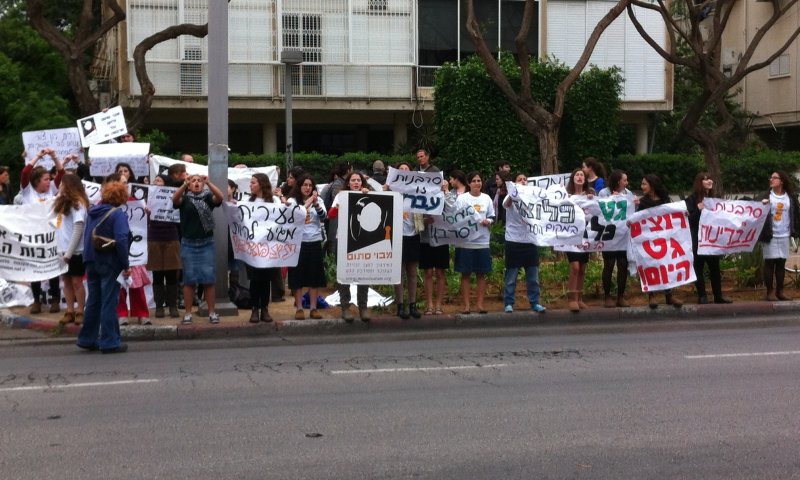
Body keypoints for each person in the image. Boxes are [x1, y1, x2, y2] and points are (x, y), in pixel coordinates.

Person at [76, 180, 130, 354]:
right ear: (122, 197)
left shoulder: (92, 212)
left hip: (91, 260)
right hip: (109, 262)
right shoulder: (117, 215)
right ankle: (109, 341)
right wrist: (125, 264)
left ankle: (87, 338)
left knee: (93, 301)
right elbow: (121, 240)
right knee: (108, 302)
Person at [172, 174, 224, 324]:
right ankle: (188, 313)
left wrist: (209, 182)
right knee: (189, 279)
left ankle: (212, 312)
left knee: (208, 279)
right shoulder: (185, 199)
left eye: (199, 181)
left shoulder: (207, 198)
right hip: (188, 243)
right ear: (189, 185)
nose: (196, 183)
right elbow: (174, 200)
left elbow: (219, 197)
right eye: (193, 181)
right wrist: (184, 184)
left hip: (206, 243)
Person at [21, 148, 64, 314]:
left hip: (52, 236)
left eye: (49, 179)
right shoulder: (27, 192)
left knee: (52, 268)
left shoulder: (52, 190)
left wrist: (54, 156)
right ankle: (36, 301)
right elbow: (25, 172)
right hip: (33, 237)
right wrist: (38, 156)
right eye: (46, 179)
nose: (49, 182)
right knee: (35, 270)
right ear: (37, 181)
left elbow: (60, 172)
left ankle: (55, 300)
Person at [327, 171, 372, 322]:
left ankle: (363, 306)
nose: (356, 183)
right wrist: (338, 207)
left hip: (363, 240)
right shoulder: (342, 196)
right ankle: (345, 306)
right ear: (348, 183)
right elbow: (331, 215)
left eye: (359, 180)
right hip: (344, 239)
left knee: (363, 273)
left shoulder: (369, 195)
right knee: (343, 273)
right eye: (353, 180)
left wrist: (369, 194)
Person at [685, 172, 733, 305]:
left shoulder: (714, 199)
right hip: (698, 239)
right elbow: (688, 220)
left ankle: (718, 296)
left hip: (712, 240)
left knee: (715, 268)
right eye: (706, 179)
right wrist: (697, 209)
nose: (709, 181)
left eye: (710, 179)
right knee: (698, 268)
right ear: (699, 182)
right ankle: (702, 296)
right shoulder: (691, 199)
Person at [113, 163, 151, 326]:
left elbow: (144, 222)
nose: (123, 176)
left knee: (136, 284)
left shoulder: (138, 197)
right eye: (120, 173)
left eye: (126, 171)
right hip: (116, 247)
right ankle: (121, 314)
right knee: (120, 284)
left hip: (135, 248)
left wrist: (147, 212)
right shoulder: (110, 200)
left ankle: (142, 313)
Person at [502, 174, 546, 313]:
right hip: (513, 241)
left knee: (533, 277)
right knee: (511, 277)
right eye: (520, 179)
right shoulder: (510, 196)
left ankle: (534, 302)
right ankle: (508, 303)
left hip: (530, 241)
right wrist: (514, 191)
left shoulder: (533, 197)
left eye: (525, 179)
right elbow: (506, 204)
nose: (523, 181)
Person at [384, 162, 423, 319]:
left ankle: (412, 305)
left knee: (412, 271)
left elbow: (428, 204)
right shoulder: (390, 189)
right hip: (396, 236)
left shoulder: (417, 190)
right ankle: (400, 305)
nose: (404, 171)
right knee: (398, 272)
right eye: (401, 169)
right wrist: (384, 189)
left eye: (407, 169)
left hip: (413, 234)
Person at [638, 173, 683, 309]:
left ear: (652, 185)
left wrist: (682, 214)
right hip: (649, 241)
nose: (642, 187)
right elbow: (637, 219)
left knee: (666, 265)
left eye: (644, 184)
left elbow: (672, 215)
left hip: (664, 239)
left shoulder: (665, 200)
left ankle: (669, 295)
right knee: (650, 265)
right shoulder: (642, 202)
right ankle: (651, 295)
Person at [286, 174, 327, 320]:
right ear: (299, 186)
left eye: (310, 185)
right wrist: (310, 201)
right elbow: (296, 215)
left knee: (314, 276)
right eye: (305, 185)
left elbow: (323, 217)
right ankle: (299, 308)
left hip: (314, 241)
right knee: (297, 276)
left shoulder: (319, 200)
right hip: (298, 242)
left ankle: (313, 308)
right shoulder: (292, 201)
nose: (308, 188)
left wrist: (316, 204)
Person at [453, 171, 494, 314]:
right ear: (469, 183)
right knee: (465, 274)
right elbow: (456, 218)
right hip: (465, 242)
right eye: (474, 181)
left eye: (479, 180)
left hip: (482, 241)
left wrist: (487, 221)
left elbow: (492, 216)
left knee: (481, 274)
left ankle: (480, 305)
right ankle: (466, 305)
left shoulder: (487, 198)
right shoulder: (462, 199)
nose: (477, 183)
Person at [52, 173, 89, 325]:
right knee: (66, 282)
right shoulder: (61, 202)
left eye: (62, 184)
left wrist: (69, 253)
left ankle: (80, 310)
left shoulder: (78, 204)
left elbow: (78, 228)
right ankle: (69, 310)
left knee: (76, 282)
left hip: (75, 251)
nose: (59, 186)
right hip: (62, 250)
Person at [243, 173, 281, 323]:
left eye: (253, 183)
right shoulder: (247, 201)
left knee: (266, 279)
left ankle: (264, 308)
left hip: (269, 247)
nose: (250, 185)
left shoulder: (274, 200)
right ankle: (254, 309)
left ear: (261, 184)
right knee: (255, 279)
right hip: (253, 247)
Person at [758, 170, 800, 301]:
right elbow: (753, 210)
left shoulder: (790, 197)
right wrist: (761, 204)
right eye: (770, 178)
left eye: (774, 178)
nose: (771, 180)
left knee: (781, 263)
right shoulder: (766, 196)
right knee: (769, 263)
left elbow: (796, 214)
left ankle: (780, 291)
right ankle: (769, 292)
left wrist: (796, 230)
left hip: (784, 234)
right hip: (769, 234)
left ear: (781, 181)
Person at [147, 174, 182, 319]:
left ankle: (173, 305)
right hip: (154, 237)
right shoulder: (147, 196)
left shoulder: (173, 195)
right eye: (154, 180)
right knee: (157, 274)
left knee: (172, 273)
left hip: (171, 237)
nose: (155, 182)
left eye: (159, 180)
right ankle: (159, 306)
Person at [597, 169, 633, 308]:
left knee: (623, 265)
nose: (627, 182)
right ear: (618, 181)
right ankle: (607, 296)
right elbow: (599, 209)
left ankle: (620, 296)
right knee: (609, 265)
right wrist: (612, 199)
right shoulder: (603, 193)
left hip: (623, 235)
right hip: (609, 235)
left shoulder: (628, 194)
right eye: (624, 180)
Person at [565, 168, 595, 312]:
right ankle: (571, 299)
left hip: (585, 236)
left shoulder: (590, 195)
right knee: (575, 267)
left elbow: (596, 212)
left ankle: (579, 298)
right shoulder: (566, 196)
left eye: (582, 175)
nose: (579, 177)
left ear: (585, 180)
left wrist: (591, 201)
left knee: (582, 268)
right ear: (573, 178)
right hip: (570, 237)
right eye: (576, 174)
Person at [320, 161, 350, 255]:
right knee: (334, 244)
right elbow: (337, 202)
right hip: (336, 220)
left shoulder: (341, 182)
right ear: (348, 170)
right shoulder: (338, 184)